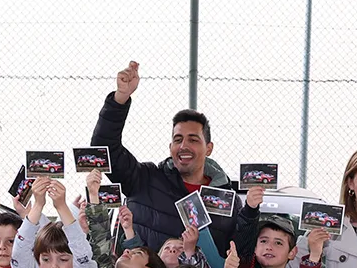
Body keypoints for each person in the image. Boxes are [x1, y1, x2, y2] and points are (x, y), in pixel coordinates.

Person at [89, 60, 257, 254]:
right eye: (178, 139)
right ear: (170, 147)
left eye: (193, 139)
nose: (184, 146)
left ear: (208, 148)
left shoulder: (228, 201)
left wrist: (252, 212)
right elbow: (104, 149)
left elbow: (239, 256)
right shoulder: (145, 179)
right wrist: (120, 98)